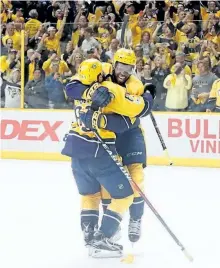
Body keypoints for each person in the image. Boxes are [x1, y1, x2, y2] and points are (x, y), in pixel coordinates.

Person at [62, 58, 154, 257]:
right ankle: (102, 237)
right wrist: (148, 96)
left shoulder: (79, 86)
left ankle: (89, 235)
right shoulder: (113, 90)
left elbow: (69, 87)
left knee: (89, 195)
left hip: (75, 151)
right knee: (126, 194)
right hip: (99, 154)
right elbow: (138, 112)